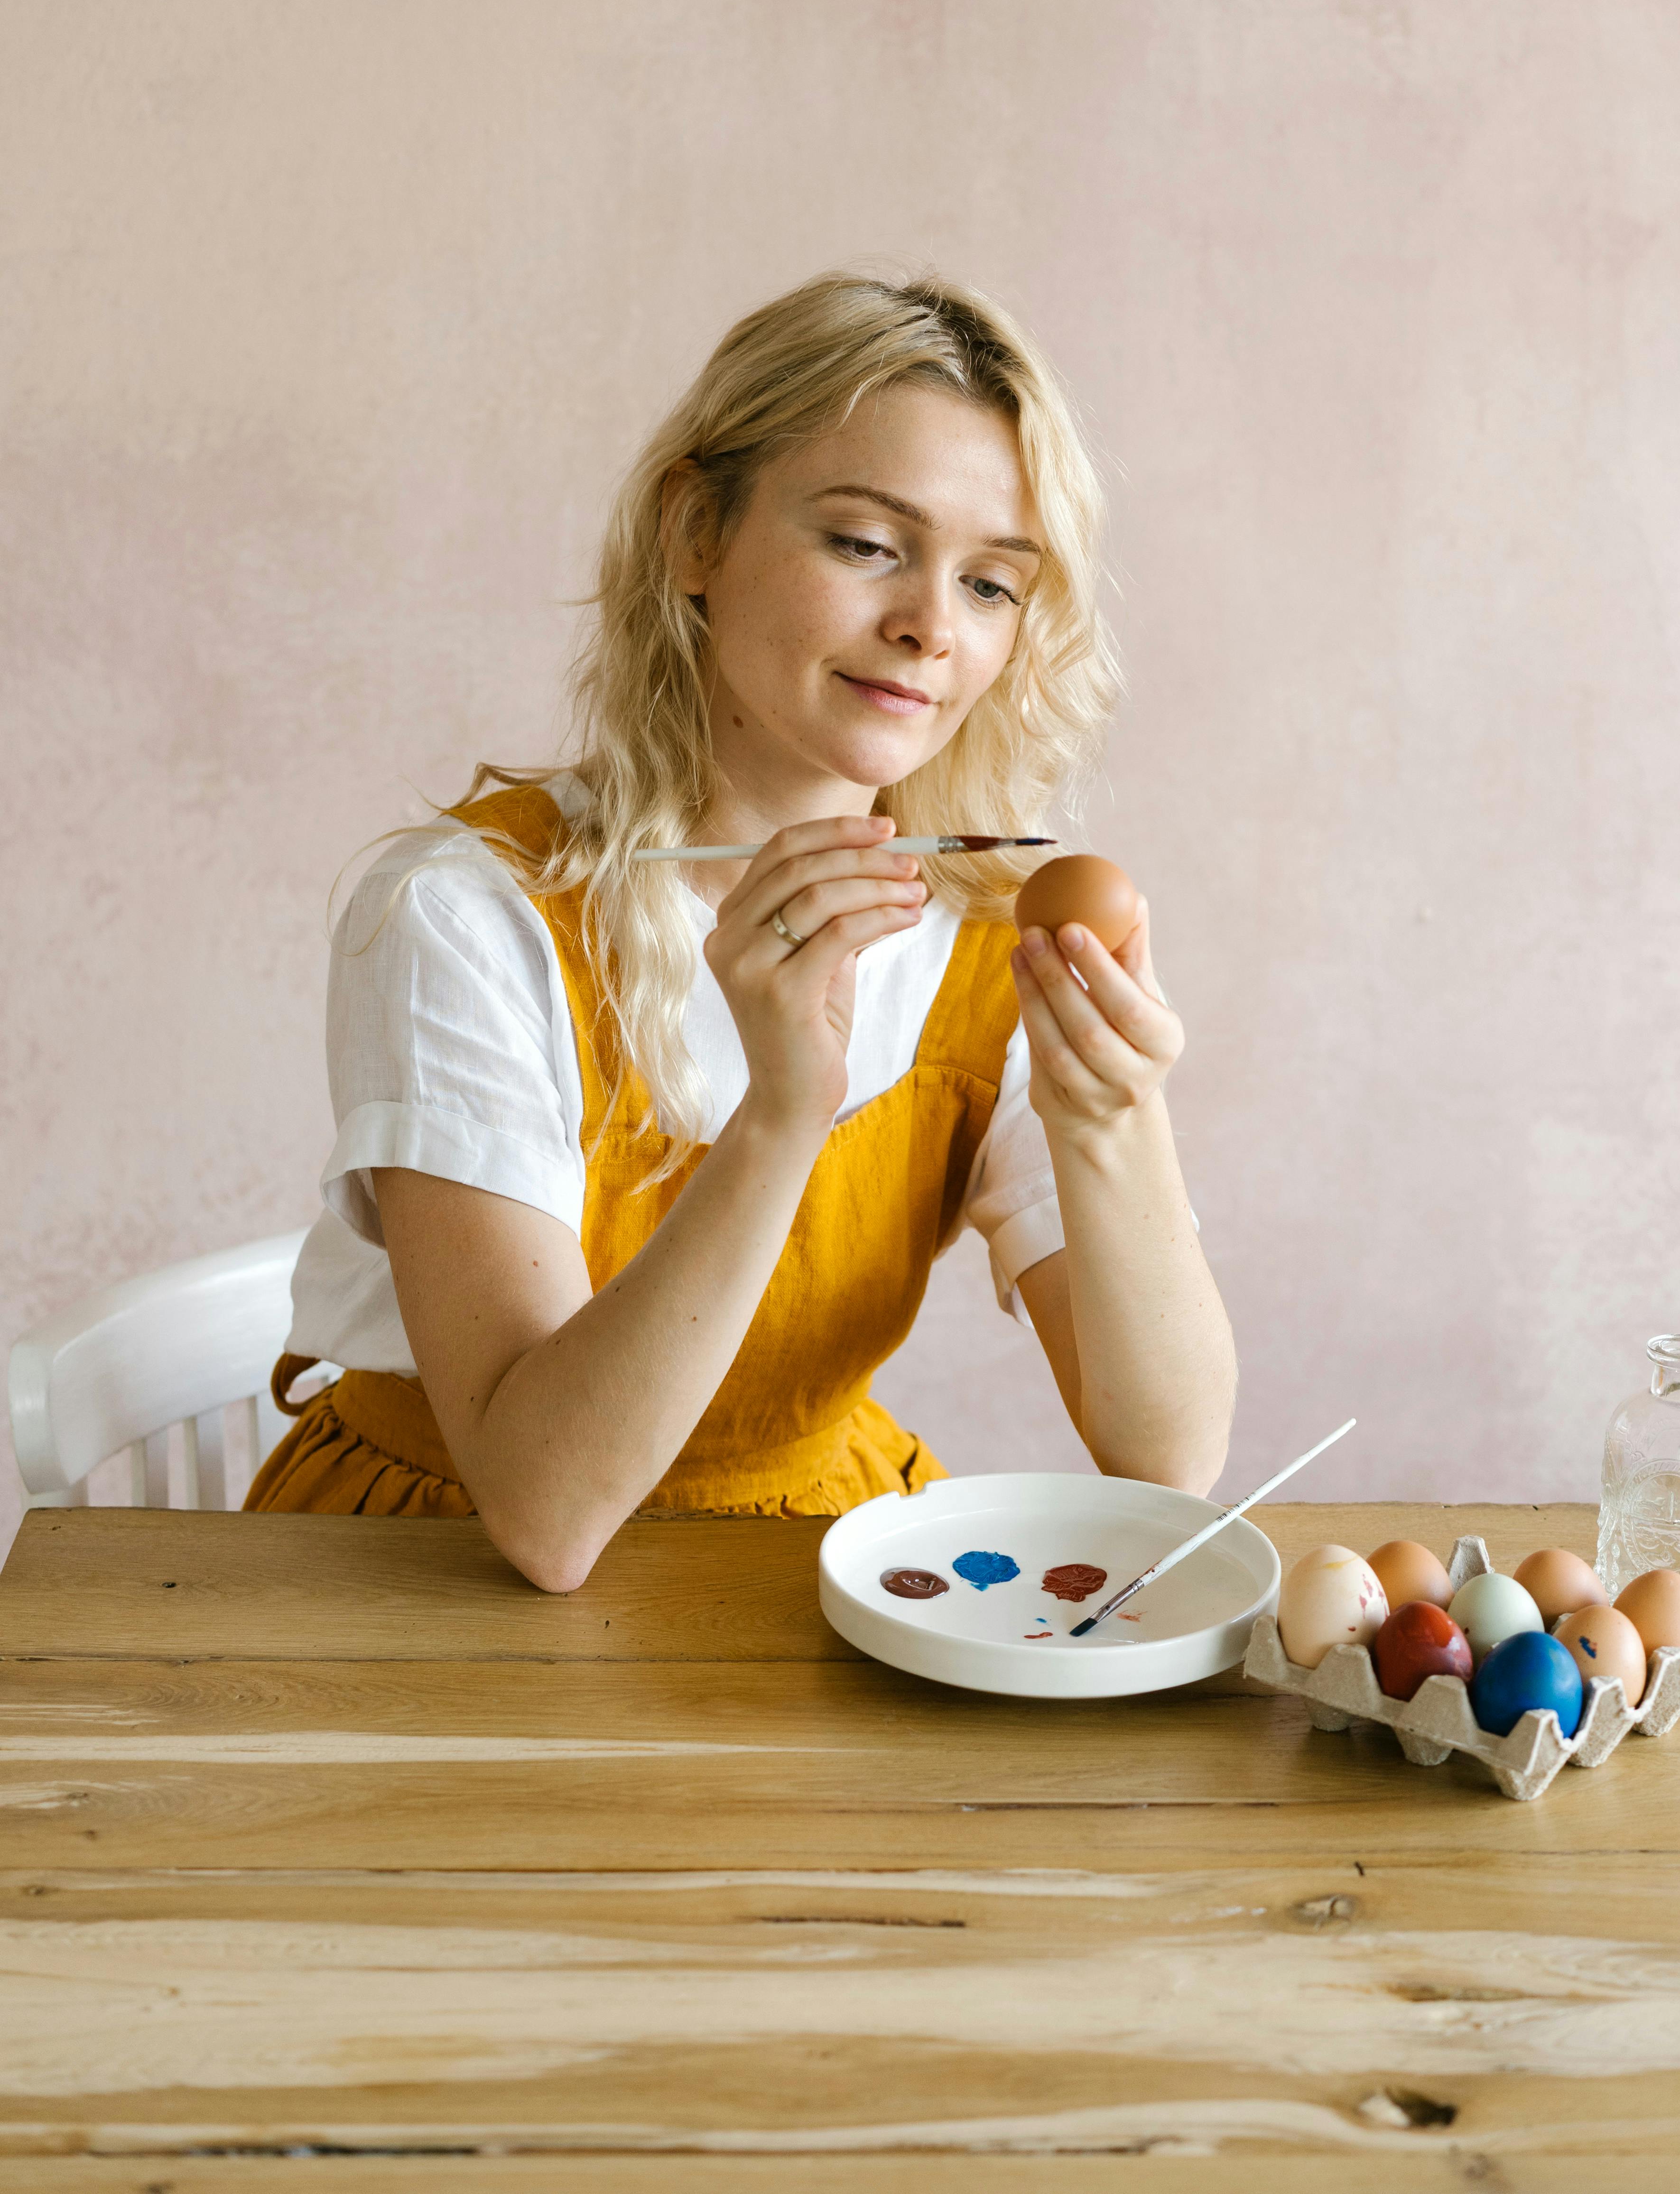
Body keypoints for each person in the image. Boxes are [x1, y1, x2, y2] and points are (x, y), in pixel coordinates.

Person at [248, 271, 1237, 1588]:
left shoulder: (986, 934)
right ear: (695, 535)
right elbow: (544, 1515)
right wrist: (782, 1111)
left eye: (993, 584)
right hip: (438, 1577)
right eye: (867, 544)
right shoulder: (464, 914)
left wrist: (1119, 1117)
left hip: (804, 1552)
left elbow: (1169, 1455)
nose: (931, 627)